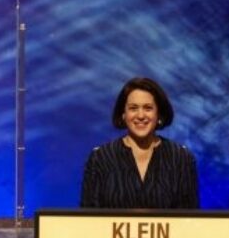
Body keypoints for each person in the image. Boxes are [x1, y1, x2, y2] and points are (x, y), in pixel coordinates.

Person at [80, 77, 199, 209]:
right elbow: (88, 221)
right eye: (133, 108)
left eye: (148, 108)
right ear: (123, 114)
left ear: (158, 114)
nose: (141, 115)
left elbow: (190, 222)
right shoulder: (100, 158)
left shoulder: (181, 159)